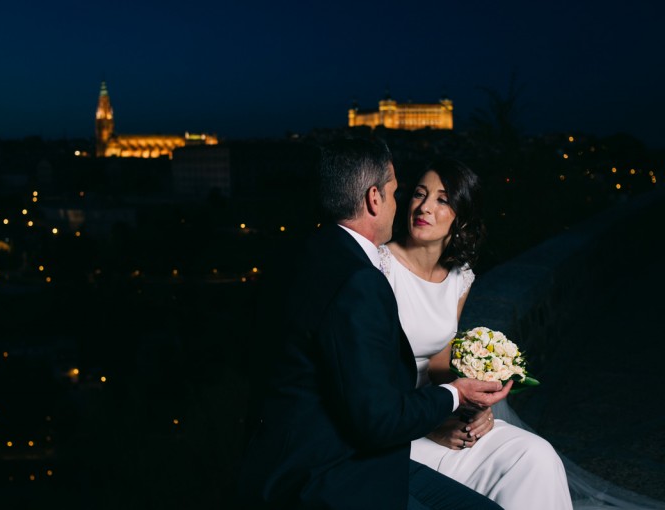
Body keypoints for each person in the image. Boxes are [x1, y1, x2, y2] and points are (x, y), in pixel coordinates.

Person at [236, 136, 514, 509]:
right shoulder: (360, 280)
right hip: (332, 475)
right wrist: (458, 394)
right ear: (374, 199)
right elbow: (378, 421)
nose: (403, 205)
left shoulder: (299, 254)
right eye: (398, 193)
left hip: (302, 452)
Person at [377, 158, 573, 509]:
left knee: (536, 457)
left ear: (461, 216)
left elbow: (439, 357)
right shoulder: (380, 268)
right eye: (419, 195)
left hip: (439, 409)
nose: (424, 207)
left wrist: (468, 411)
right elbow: (373, 382)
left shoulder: (459, 276)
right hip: (399, 428)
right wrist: (433, 425)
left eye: (442, 199)